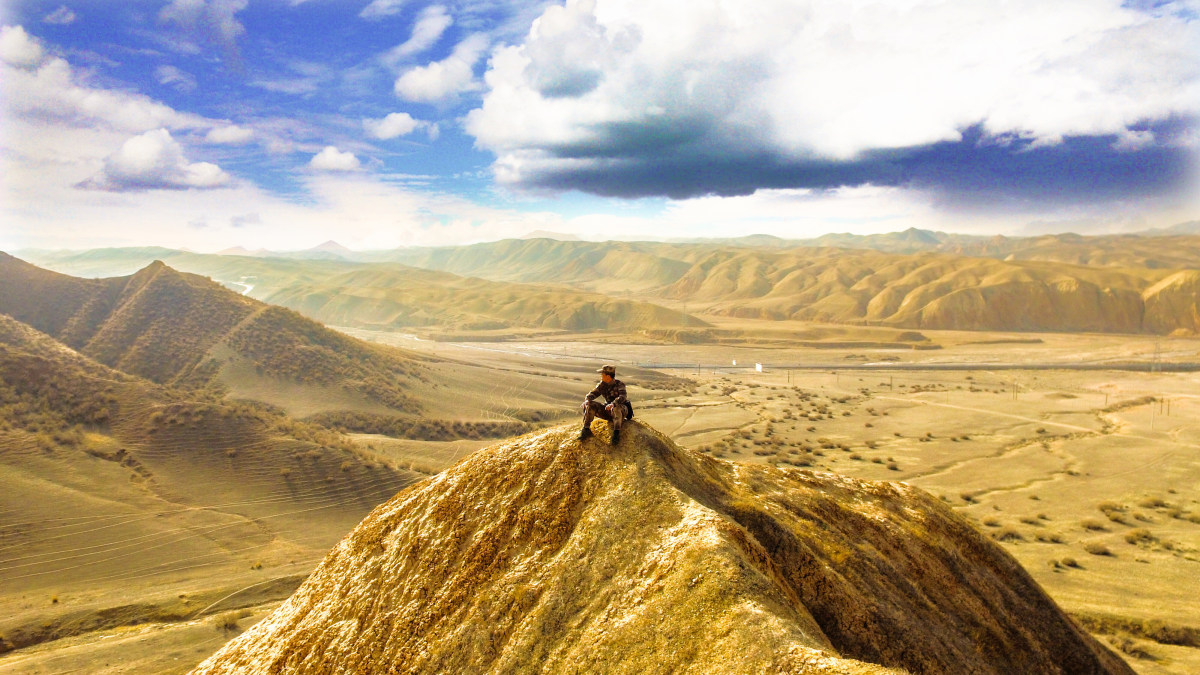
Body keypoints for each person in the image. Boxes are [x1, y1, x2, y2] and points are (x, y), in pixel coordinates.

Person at [580, 364, 632, 445]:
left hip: (620, 410)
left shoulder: (619, 384)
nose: (601, 376)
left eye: (602, 374)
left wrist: (614, 404)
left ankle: (616, 434)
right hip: (608, 410)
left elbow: (623, 397)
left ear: (608, 376)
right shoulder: (602, 385)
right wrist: (587, 400)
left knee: (616, 408)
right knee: (590, 405)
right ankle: (586, 429)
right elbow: (593, 393)